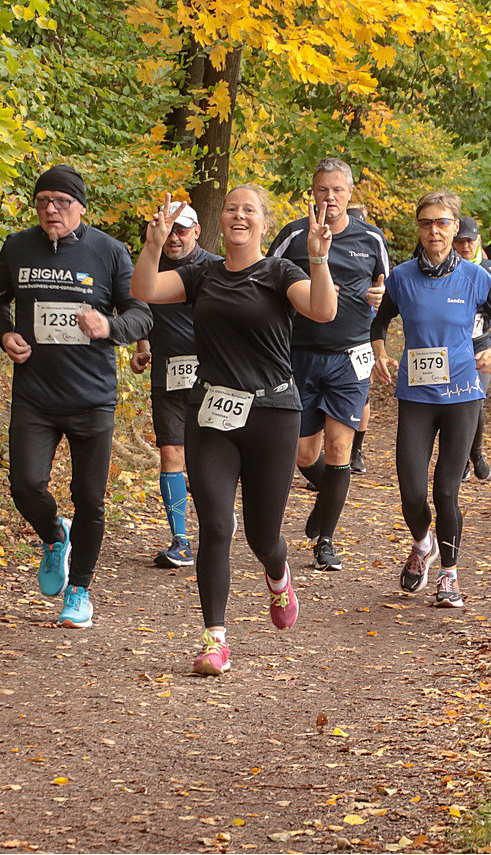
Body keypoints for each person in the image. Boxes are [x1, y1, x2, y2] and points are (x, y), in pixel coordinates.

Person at [131, 186, 337, 676]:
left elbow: (323, 311)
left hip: (272, 415)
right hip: (212, 414)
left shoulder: (279, 273)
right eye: (231, 209)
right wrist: (154, 243)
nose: (238, 216)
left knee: (263, 537)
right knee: (217, 528)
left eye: (249, 210)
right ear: (219, 221)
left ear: (263, 223)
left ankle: (278, 573)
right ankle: (214, 640)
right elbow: (145, 291)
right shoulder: (202, 274)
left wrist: (319, 259)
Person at [0, 165, 153, 629]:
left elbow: (142, 314)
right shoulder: (19, 247)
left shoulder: (110, 252)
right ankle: (54, 535)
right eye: (42, 201)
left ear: (80, 206)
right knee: (24, 485)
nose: (51, 210)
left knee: (90, 498)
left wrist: (111, 327)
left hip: (92, 397)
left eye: (60, 201)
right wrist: (5, 334)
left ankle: (79, 592)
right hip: (35, 393)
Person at [371, 193, 491, 607]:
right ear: (418, 229)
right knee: (410, 490)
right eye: (425, 224)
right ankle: (423, 545)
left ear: (456, 227)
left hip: (462, 395)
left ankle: (449, 576)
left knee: (445, 491)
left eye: (441, 223)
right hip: (416, 395)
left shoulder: (478, 277)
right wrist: (380, 352)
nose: (433, 231)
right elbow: (380, 320)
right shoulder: (400, 277)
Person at [268, 158, 390, 572]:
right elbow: (266, 281)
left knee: (340, 448)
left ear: (350, 193)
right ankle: (328, 498)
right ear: (313, 191)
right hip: (298, 353)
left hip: (349, 356)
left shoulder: (372, 238)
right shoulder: (293, 235)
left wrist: (379, 298)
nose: (330, 197)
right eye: (323, 189)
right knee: (305, 454)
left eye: (338, 190)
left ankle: (326, 540)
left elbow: (385, 287)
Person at [130, 201, 220, 568]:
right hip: (166, 372)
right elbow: (138, 305)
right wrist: (142, 345)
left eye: (182, 229)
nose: (175, 237)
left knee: (209, 458)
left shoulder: (216, 267)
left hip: (214, 376)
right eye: (170, 230)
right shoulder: (149, 266)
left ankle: (216, 523)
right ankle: (180, 540)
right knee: (171, 455)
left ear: (197, 231)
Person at [451, 216, 491, 481]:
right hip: (450, 346)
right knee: (452, 402)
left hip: (481, 342)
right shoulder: (444, 269)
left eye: (470, 241)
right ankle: (461, 458)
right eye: (460, 241)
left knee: (474, 400)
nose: (465, 246)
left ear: (479, 242)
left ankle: (475, 454)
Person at [345, 203, 373, 475]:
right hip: (317, 337)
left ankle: (356, 450)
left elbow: (385, 285)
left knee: (362, 396)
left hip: (362, 335)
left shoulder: (371, 240)